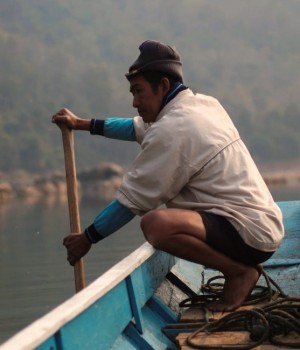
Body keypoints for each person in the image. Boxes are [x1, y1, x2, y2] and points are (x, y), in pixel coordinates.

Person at [52, 40, 284, 312]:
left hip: (247, 232)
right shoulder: (204, 105)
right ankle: (241, 268)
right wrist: (81, 124)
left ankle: (239, 272)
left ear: (163, 86)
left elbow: (130, 203)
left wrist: (86, 239)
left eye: (139, 92)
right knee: (158, 222)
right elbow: (135, 128)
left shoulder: (173, 128)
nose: (135, 102)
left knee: (156, 225)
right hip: (264, 226)